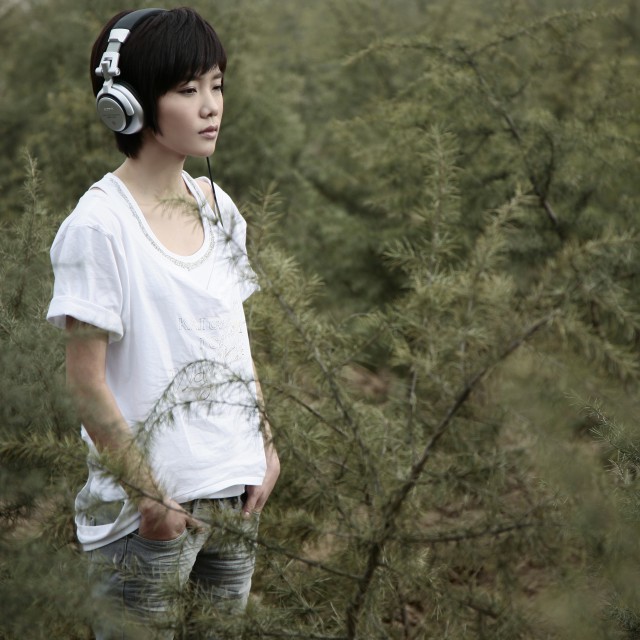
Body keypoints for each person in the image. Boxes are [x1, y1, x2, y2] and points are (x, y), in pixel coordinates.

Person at [46, 7, 279, 638]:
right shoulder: (99, 226)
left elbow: (233, 342)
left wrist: (264, 444)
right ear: (126, 104)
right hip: (147, 518)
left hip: (236, 500)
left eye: (216, 85)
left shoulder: (218, 205)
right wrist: (150, 498)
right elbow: (85, 382)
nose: (211, 106)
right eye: (187, 89)